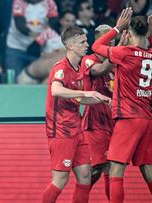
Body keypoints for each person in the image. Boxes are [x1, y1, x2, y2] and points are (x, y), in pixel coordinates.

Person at [92, 8, 152, 203]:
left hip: (128, 118)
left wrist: (117, 28)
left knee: (116, 170)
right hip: (149, 120)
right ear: (146, 33)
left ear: (130, 33)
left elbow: (96, 46)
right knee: (150, 173)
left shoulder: (125, 53)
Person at [43, 25, 111, 203]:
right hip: (61, 131)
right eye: (82, 42)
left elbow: (79, 99)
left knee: (85, 177)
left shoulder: (78, 69)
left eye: (86, 41)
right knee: (60, 181)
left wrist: (102, 99)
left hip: (77, 130)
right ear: (70, 46)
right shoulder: (61, 67)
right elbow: (56, 90)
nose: (87, 44)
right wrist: (85, 93)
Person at [80, 24, 125, 200]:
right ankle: (79, 197)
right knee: (96, 169)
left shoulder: (117, 62)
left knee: (110, 169)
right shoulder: (89, 60)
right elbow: (101, 70)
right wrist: (119, 47)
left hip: (115, 123)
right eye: (108, 38)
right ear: (98, 40)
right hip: (95, 124)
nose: (111, 42)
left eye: (113, 39)